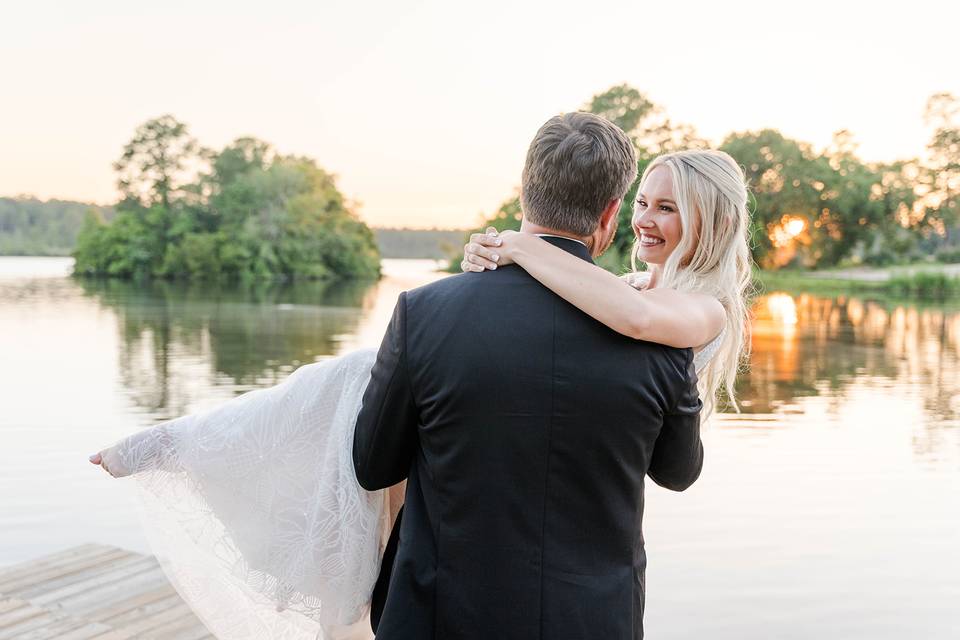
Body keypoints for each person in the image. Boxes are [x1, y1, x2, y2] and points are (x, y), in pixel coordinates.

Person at [90, 112, 750, 640]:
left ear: (524, 193)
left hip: (441, 614)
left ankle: (187, 444)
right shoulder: (661, 336)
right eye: (642, 207)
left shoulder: (429, 311)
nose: (644, 222)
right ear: (610, 215)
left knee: (343, 381)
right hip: (595, 619)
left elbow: (374, 463)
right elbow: (676, 470)